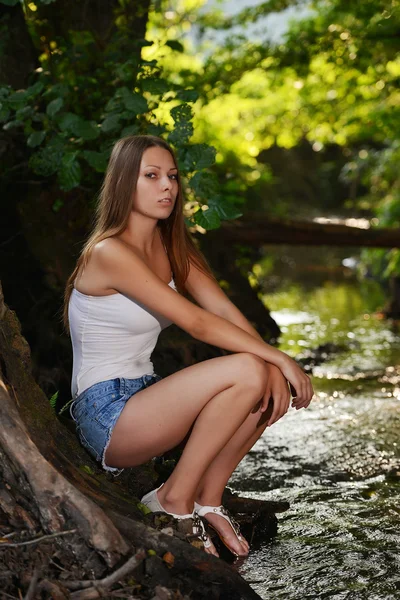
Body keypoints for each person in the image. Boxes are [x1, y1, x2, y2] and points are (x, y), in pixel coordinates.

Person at [64, 135, 314, 559]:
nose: (167, 187)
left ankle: (207, 500)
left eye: (173, 177)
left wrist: (274, 364)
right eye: (152, 176)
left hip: (148, 397)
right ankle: (171, 500)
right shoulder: (108, 252)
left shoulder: (173, 246)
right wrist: (280, 357)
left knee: (263, 372)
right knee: (254, 369)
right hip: (106, 414)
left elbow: (222, 308)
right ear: (125, 183)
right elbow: (197, 322)